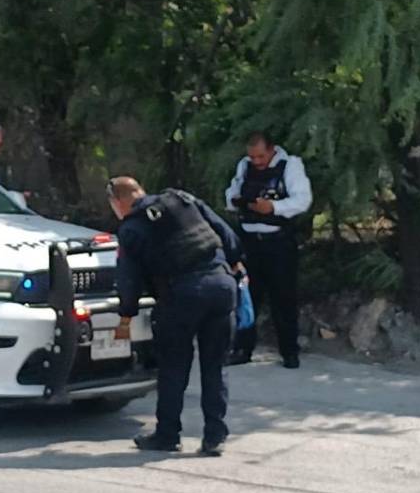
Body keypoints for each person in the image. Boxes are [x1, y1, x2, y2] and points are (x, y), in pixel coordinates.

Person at [108, 177, 244, 456]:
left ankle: (168, 435)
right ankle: (214, 437)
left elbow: (128, 279)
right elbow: (226, 235)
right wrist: (235, 263)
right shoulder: (182, 199)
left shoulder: (131, 227)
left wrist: (127, 312)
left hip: (182, 295)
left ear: (118, 202)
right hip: (221, 287)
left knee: (173, 367)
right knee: (215, 366)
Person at [224, 132, 313, 367]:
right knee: (246, 297)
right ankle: (243, 349)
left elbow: (302, 200)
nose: (257, 162)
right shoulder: (244, 166)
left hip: (278, 242)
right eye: (252, 157)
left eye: (261, 156)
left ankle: (289, 352)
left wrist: (272, 207)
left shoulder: (290, 166)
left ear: (272, 149)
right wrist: (239, 201)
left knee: (283, 298)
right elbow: (230, 194)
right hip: (249, 242)